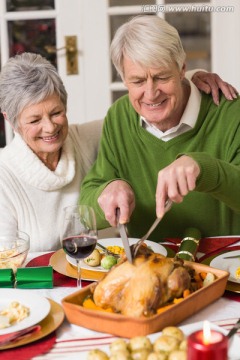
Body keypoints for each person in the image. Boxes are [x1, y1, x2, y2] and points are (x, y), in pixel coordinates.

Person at [80, 15, 240, 242]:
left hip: (225, 266)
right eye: (137, 81)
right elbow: (87, 209)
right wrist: (106, 192)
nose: (151, 93)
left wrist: (204, 168)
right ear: (124, 79)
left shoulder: (228, 111)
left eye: (161, 77)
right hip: (150, 267)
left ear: (182, 68)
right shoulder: (119, 117)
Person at [0, 52, 102, 251]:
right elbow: (5, 267)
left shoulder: (84, 139)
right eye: (35, 120)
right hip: (39, 283)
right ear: (11, 121)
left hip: (97, 278)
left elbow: (135, 116)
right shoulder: (4, 176)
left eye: (56, 113)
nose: (49, 127)